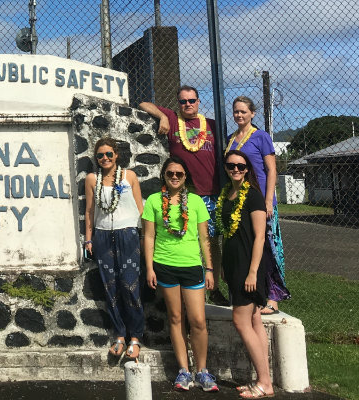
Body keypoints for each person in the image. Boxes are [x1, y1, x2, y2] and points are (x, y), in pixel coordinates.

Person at [139, 87, 224, 303]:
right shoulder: (173, 119)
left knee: (212, 240)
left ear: (198, 101)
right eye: (183, 101)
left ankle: (214, 286)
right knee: (187, 238)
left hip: (213, 191)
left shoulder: (212, 125)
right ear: (178, 103)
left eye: (192, 100)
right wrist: (161, 117)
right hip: (188, 193)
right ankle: (192, 286)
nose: (188, 104)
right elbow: (143, 105)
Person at [142, 156, 219, 392]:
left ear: (185, 177)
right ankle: (184, 370)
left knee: (197, 320)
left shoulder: (195, 202)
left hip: (192, 266)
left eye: (179, 174)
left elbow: (205, 238)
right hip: (164, 265)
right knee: (176, 318)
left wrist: (209, 268)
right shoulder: (154, 201)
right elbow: (149, 237)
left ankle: (202, 371)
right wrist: (149, 268)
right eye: (170, 173)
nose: (174, 177)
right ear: (164, 176)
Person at [216, 150, 274, 399]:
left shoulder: (252, 197)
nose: (236, 170)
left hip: (248, 266)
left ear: (248, 168)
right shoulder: (227, 193)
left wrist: (252, 273)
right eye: (231, 166)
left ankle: (264, 383)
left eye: (240, 166)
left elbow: (260, 237)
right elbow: (227, 233)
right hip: (234, 264)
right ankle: (264, 379)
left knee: (241, 321)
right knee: (254, 320)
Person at [83, 137, 145, 359]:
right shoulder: (92, 179)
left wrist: (145, 237)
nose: (105, 158)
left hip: (127, 233)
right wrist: (88, 239)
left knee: (130, 285)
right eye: (100, 155)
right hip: (102, 235)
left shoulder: (129, 176)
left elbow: (140, 208)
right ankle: (119, 334)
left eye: (109, 154)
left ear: (116, 155)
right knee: (111, 287)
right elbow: (90, 211)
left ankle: (135, 337)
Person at [227, 96, 290, 314]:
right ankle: (253, 294)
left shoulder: (261, 137)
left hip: (261, 199)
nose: (239, 115)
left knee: (269, 246)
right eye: (236, 111)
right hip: (240, 200)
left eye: (243, 111)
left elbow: (272, 169)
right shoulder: (230, 139)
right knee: (248, 246)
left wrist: (269, 200)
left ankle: (273, 298)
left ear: (252, 113)